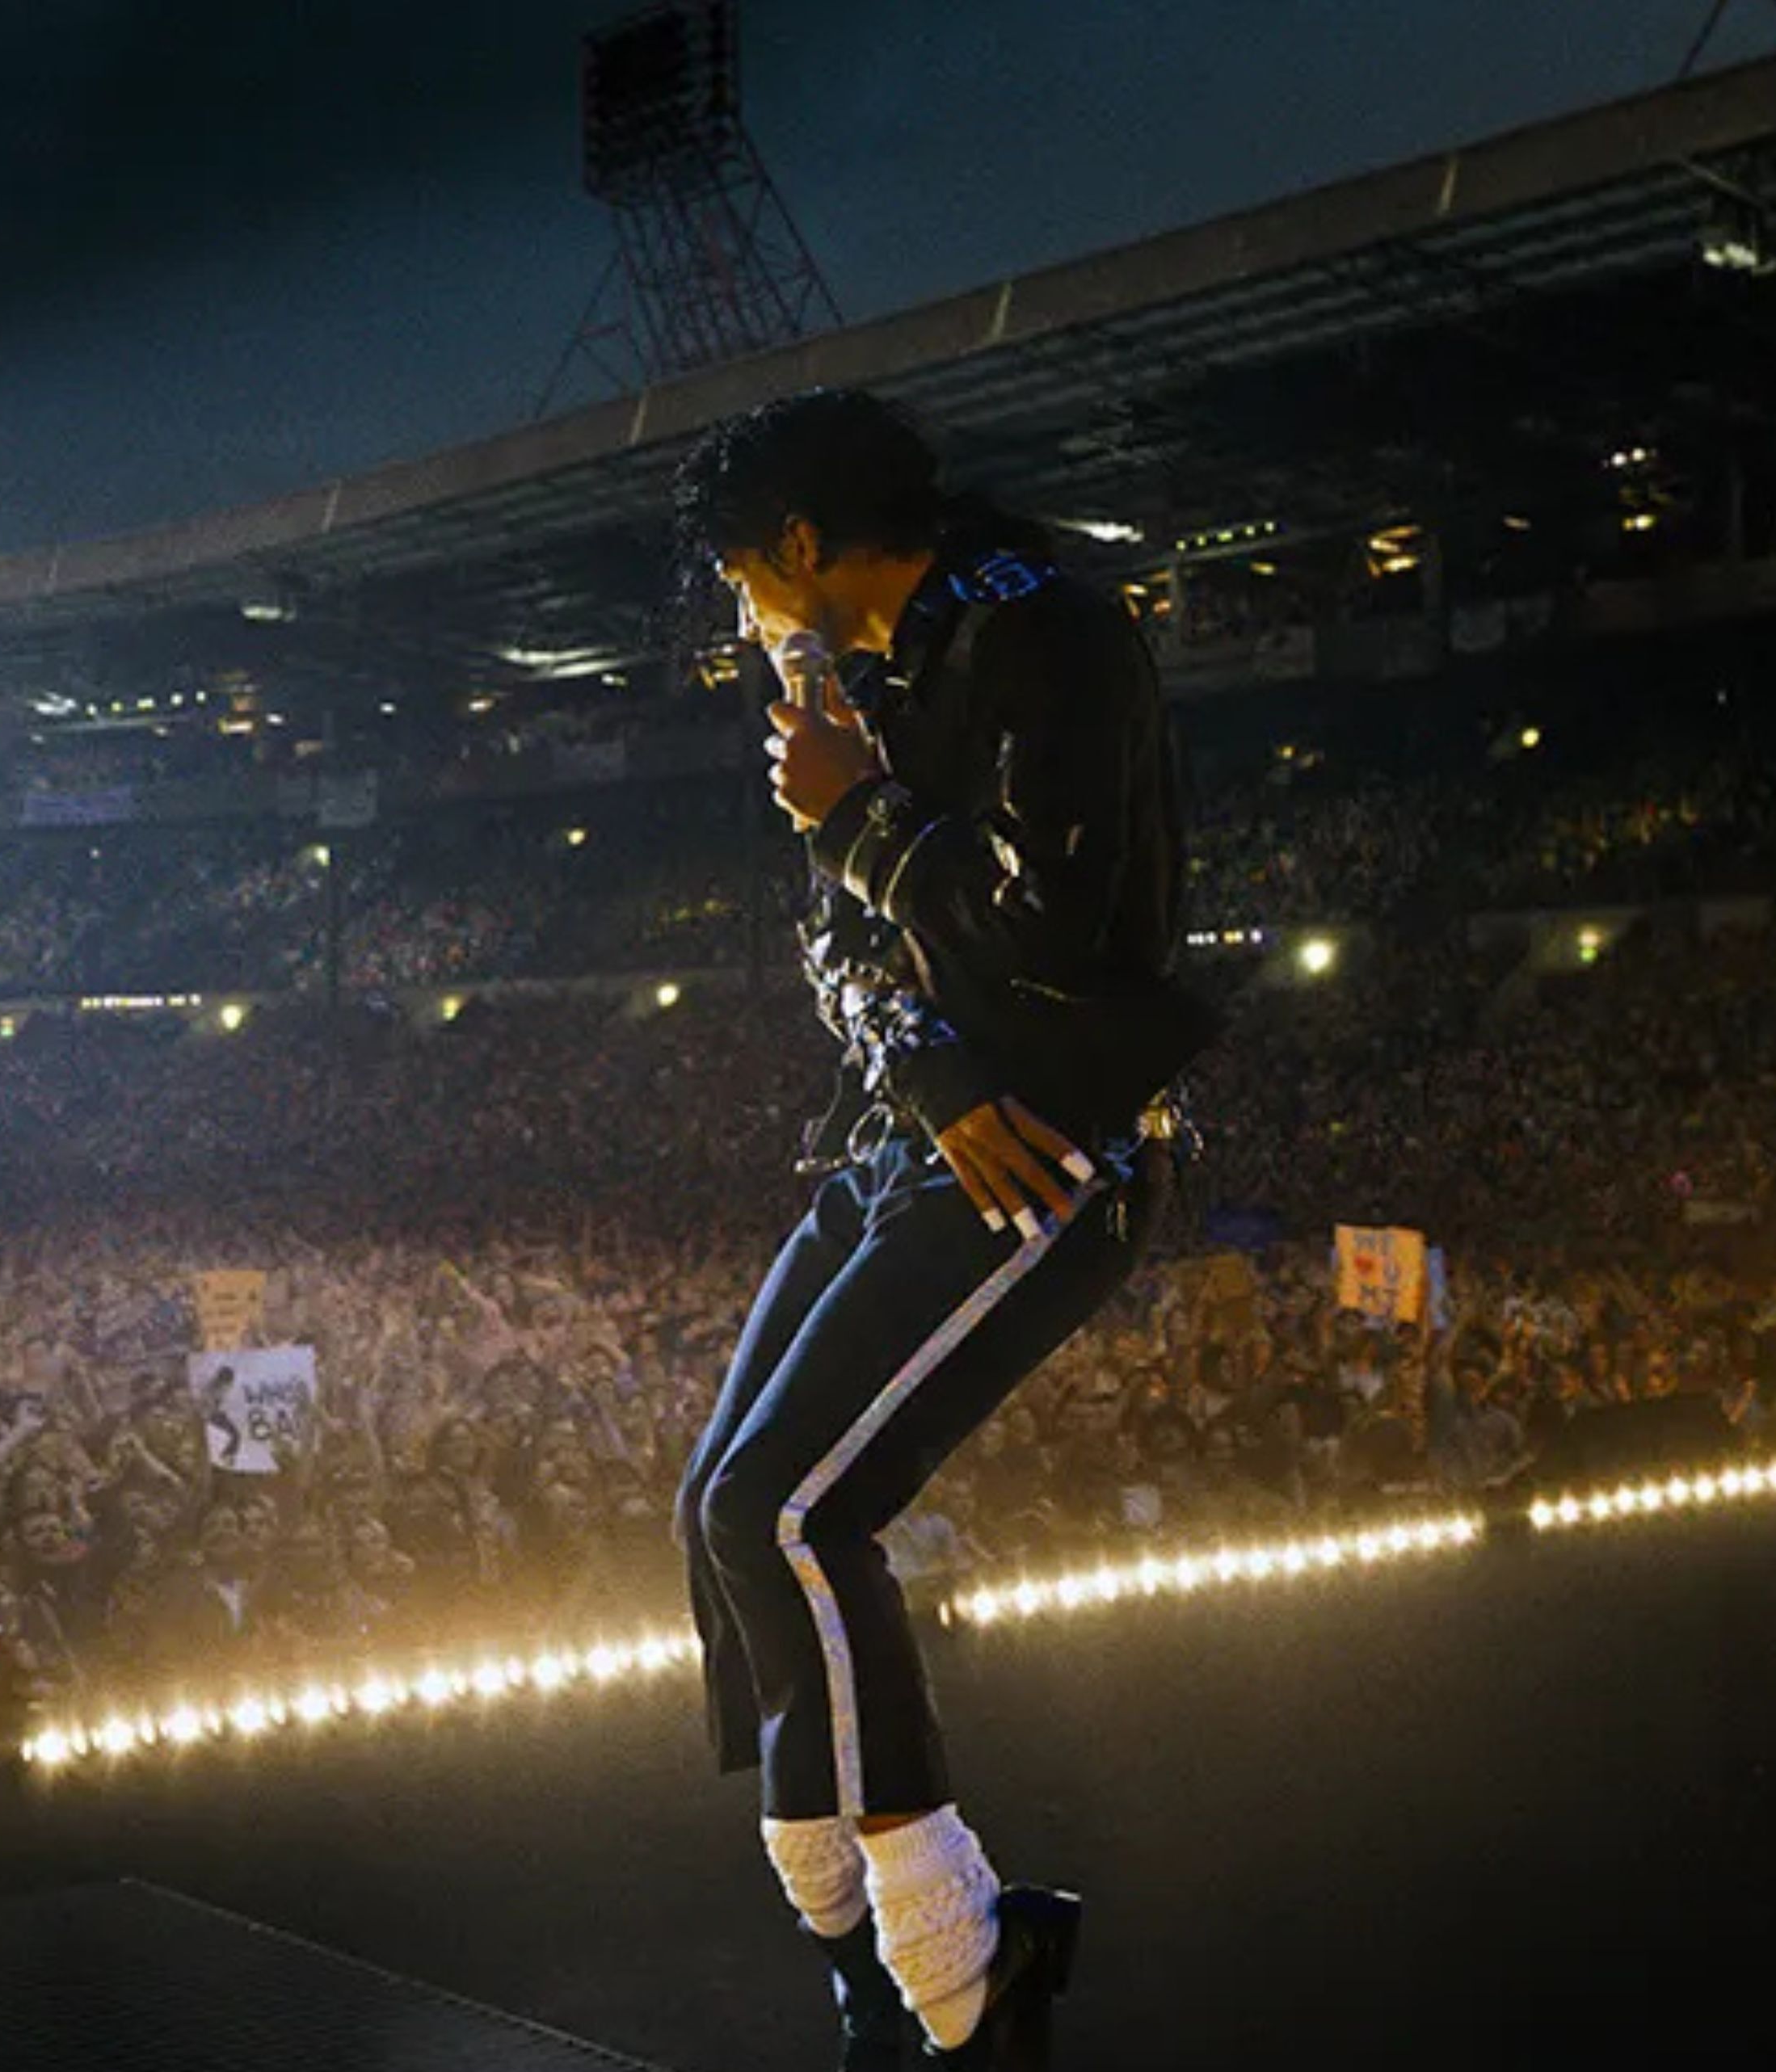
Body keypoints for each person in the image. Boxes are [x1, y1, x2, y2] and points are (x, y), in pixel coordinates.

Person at [667, 389, 1216, 2070]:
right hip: (925, 1131)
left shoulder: (1049, 638)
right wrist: (917, 1057)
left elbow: (1049, 927)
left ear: (810, 546)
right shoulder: (869, 672)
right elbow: (836, 952)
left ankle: (965, 1965)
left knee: (794, 1510)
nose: (742, 612)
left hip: (1053, 1153)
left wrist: (851, 810)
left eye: (747, 573)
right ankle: (860, 1952)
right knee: (716, 1511)